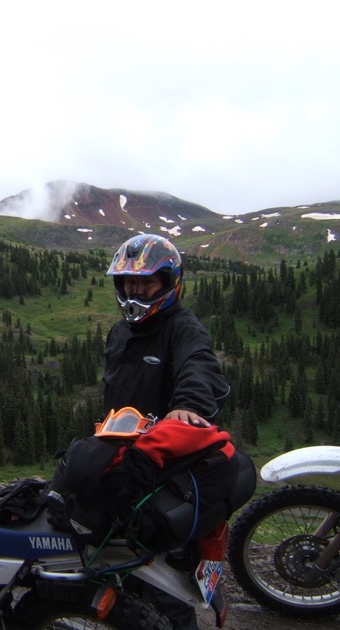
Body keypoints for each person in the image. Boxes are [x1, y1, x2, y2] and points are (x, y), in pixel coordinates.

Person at [103, 233, 230, 629]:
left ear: (169, 283)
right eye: (128, 283)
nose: (135, 291)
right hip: (125, 459)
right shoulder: (120, 333)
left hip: (166, 467)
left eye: (144, 283)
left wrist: (187, 408)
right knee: (113, 565)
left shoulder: (183, 328)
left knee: (162, 582)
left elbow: (200, 367)